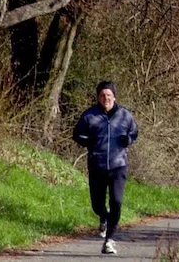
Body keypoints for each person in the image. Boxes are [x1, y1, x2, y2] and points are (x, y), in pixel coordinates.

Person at [73, 81, 139, 255]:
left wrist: (129, 140)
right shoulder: (89, 116)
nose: (105, 99)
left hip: (119, 165)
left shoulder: (125, 115)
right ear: (98, 98)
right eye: (102, 96)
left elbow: (134, 132)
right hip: (97, 165)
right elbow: (77, 134)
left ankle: (109, 240)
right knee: (97, 204)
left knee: (116, 201)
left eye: (108, 95)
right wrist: (89, 142)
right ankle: (103, 216)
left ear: (114, 97)